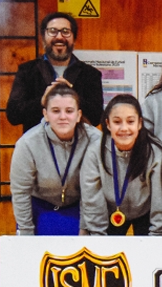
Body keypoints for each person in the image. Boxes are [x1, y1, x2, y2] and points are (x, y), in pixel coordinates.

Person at [10, 84, 101, 235]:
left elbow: (93, 190)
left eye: (69, 111)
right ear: (45, 114)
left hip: (80, 206)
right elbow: (20, 192)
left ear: (78, 115)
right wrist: (26, 232)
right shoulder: (27, 143)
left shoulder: (95, 140)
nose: (63, 117)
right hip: (40, 206)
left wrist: (85, 228)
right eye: (56, 111)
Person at [80, 95, 162, 236]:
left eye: (130, 121)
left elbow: (160, 201)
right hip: (109, 213)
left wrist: (156, 238)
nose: (124, 128)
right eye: (117, 122)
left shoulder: (154, 151)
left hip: (145, 214)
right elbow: (91, 199)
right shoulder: (95, 152)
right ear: (108, 124)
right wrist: (98, 238)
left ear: (139, 123)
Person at [6, 12, 104, 133]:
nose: (59, 37)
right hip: (37, 148)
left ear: (74, 38)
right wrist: (42, 101)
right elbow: (13, 115)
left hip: (79, 148)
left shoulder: (91, 74)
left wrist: (74, 96)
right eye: (53, 31)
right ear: (43, 37)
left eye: (65, 31)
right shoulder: (27, 71)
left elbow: (96, 118)